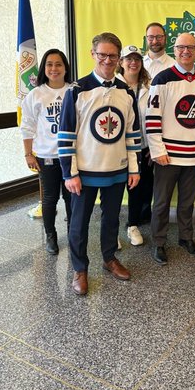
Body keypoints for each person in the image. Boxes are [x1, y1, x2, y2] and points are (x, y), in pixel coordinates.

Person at [59, 32, 141, 296]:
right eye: (102, 54)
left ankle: (109, 258)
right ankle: (80, 268)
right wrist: (69, 173)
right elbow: (66, 135)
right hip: (83, 172)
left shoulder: (126, 92)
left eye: (112, 56)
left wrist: (134, 167)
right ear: (92, 54)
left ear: (119, 59)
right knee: (79, 223)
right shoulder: (77, 90)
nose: (107, 60)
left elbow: (132, 133)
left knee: (111, 219)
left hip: (117, 171)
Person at [146, 30, 195, 263]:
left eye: (190, 48)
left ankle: (186, 237)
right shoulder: (162, 79)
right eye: (180, 48)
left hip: (194, 154)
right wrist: (157, 150)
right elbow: (152, 118)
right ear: (174, 51)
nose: (185, 51)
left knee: (187, 201)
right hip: (168, 155)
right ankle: (158, 241)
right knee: (162, 202)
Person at [21, 48, 73, 254]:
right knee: (50, 199)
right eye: (50, 64)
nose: (54, 68)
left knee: (72, 198)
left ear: (65, 68)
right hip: (46, 156)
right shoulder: (36, 94)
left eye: (58, 64)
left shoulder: (74, 91)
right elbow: (27, 125)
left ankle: (73, 233)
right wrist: (28, 153)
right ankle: (51, 235)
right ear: (44, 67)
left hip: (71, 156)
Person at [119, 45, 153, 247]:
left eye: (137, 59)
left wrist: (153, 147)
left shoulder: (149, 88)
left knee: (142, 187)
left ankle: (135, 223)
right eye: (128, 59)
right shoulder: (113, 86)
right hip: (120, 148)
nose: (133, 63)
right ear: (121, 63)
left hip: (144, 146)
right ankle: (120, 228)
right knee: (120, 189)